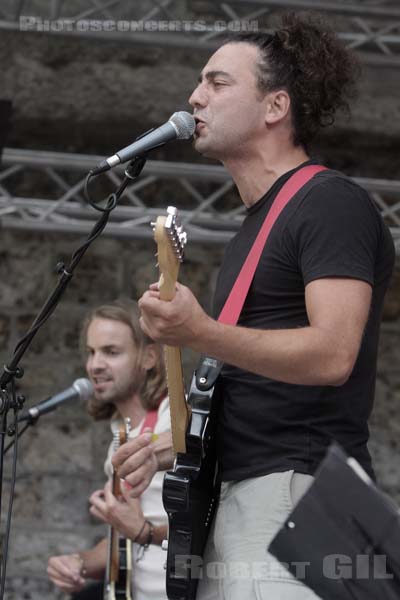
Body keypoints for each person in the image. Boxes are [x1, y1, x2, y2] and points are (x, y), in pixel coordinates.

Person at [112, 12, 396, 600]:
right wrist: (173, 446)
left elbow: (332, 354)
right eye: (200, 83)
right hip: (251, 495)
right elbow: (259, 392)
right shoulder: (254, 229)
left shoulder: (328, 203)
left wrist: (200, 331)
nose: (195, 96)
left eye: (218, 83)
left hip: (294, 495)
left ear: (275, 108)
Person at [47, 299, 171, 600]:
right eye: (91, 352)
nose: (94, 365)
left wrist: (145, 530)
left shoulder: (175, 418)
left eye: (111, 352)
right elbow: (121, 542)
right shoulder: (120, 432)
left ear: (149, 357)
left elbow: (209, 524)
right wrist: (78, 564)